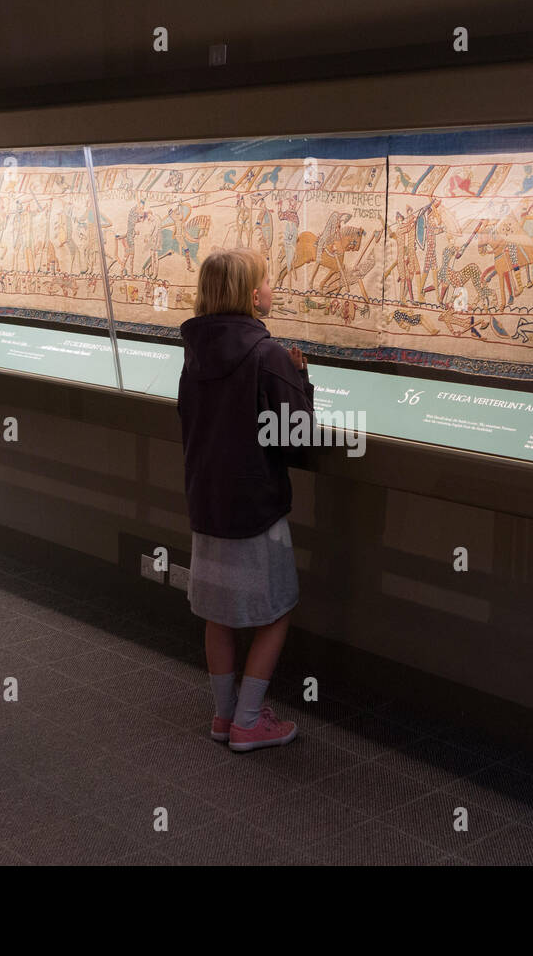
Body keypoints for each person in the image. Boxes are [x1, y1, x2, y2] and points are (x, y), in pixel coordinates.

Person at [177, 247, 313, 752]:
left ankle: (224, 714)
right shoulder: (266, 354)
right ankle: (249, 723)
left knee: (219, 612)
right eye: (268, 281)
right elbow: (295, 439)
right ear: (253, 294)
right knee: (275, 612)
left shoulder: (194, 354)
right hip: (257, 511)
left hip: (208, 507)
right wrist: (297, 381)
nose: (273, 288)